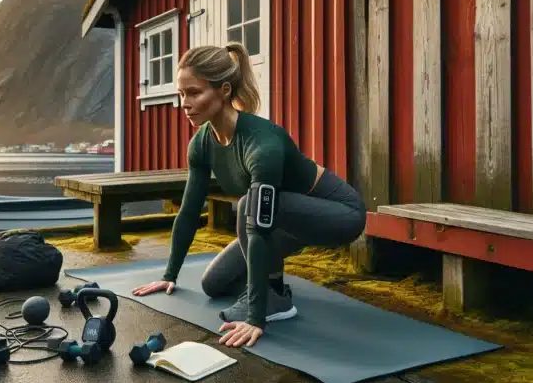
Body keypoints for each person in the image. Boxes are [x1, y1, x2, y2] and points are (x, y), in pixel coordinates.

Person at [131, 42, 367, 348]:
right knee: (213, 283)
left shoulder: (262, 144)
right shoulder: (202, 143)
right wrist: (170, 273)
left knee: (248, 208)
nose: (184, 104)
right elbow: (189, 210)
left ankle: (275, 297)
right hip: (282, 218)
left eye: (194, 93)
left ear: (224, 90)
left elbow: (257, 227)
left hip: (338, 214)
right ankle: (267, 292)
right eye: (181, 94)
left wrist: (255, 318)